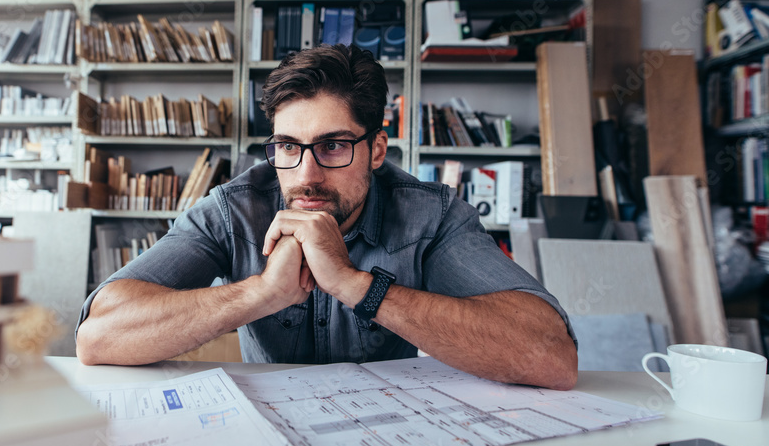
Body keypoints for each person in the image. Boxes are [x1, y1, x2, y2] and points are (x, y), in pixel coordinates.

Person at [76, 44, 578, 390]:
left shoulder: (433, 215)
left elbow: (551, 356)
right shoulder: (235, 208)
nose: (306, 174)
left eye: (333, 146)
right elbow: (98, 336)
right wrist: (260, 293)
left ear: (377, 149)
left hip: (391, 438)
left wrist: (358, 286)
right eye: (288, 147)